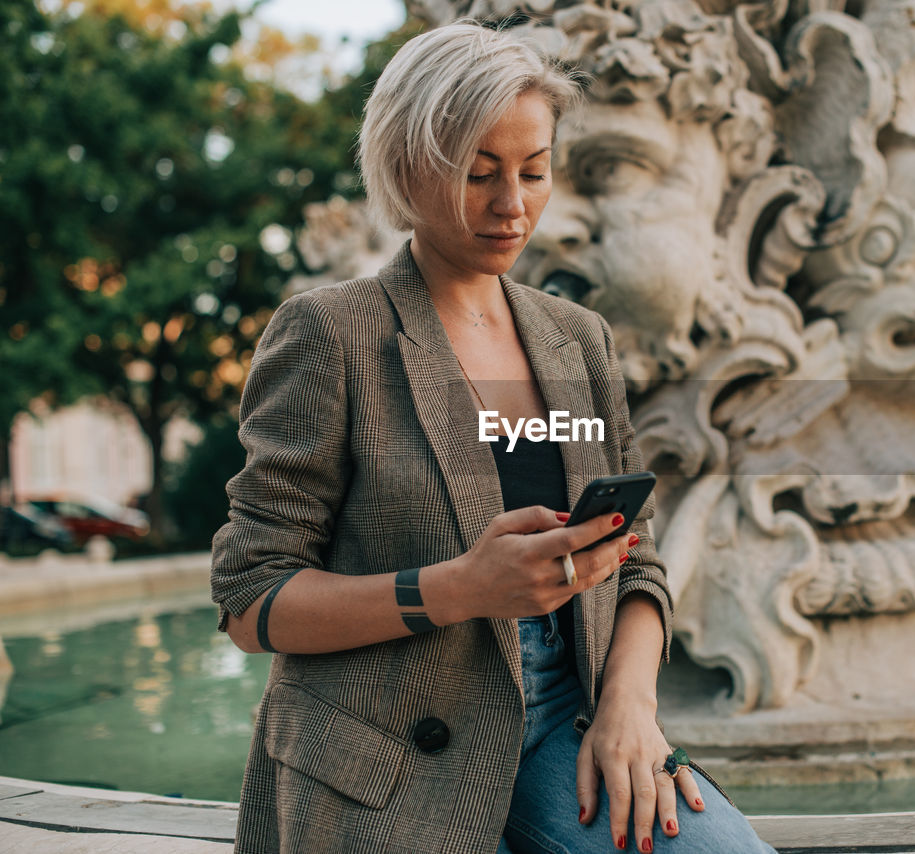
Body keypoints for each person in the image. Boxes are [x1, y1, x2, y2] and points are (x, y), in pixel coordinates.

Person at [210, 21, 776, 854]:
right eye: (479, 175)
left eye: (534, 171)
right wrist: (461, 588)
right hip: (388, 759)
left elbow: (637, 554)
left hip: (565, 725)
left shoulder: (576, 339)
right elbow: (250, 600)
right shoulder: (332, 334)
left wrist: (629, 709)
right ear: (407, 167)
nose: (514, 206)